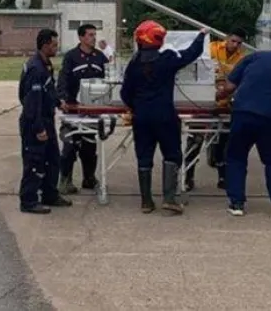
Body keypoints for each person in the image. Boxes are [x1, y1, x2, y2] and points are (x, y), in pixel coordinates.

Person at [120, 21, 208, 215]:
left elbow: (125, 93)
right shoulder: (167, 58)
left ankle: (146, 202)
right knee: (172, 154)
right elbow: (191, 54)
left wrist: (136, 107)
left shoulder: (134, 63)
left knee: (144, 156)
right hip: (164, 115)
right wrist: (201, 35)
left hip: (141, 117)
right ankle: (169, 198)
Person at [215, 44, 271, 219]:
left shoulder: (252, 58)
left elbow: (229, 87)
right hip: (270, 118)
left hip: (243, 114)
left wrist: (216, 97)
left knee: (236, 157)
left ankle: (237, 204)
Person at [17, 28, 73, 214]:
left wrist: (58, 102)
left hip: (47, 120)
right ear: (45, 45)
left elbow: (48, 90)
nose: (57, 48)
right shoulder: (35, 69)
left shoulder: (46, 65)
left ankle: (50, 194)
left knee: (52, 160)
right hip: (35, 122)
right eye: (54, 45)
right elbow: (31, 103)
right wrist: (38, 128)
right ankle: (28, 201)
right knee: (34, 162)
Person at [183, 28, 247, 191]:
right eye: (233, 41)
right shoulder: (210, 48)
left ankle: (223, 176)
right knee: (195, 139)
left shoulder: (242, 58)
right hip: (202, 102)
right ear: (227, 38)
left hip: (224, 104)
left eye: (239, 43)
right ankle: (188, 176)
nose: (235, 45)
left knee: (223, 141)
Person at [56, 23, 109, 194]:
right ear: (81, 37)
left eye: (94, 34)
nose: (94, 38)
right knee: (70, 143)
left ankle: (89, 178)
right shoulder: (71, 57)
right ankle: (65, 180)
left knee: (89, 145)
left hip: (92, 110)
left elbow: (108, 80)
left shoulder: (100, 57)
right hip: (73, 109)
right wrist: (62, 98)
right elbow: (63, 79)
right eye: (90, 35)